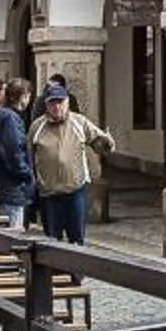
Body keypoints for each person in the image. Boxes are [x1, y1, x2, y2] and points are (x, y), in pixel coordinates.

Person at [29, 83, 113, 245]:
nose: (57, 107)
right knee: (52, 239)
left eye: (60, 102)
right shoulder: (37, 127)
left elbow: (98, 143)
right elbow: (29, 155)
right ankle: (54, 269)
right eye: (52, 103)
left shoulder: (79, 122)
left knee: (77, 238)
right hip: (49, 193)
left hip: (75, 190)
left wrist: (107, 143)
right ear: (46, 105)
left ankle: (77, 271)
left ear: (67, 103)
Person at [0, 77, 37, 230]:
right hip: (10, 190)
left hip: (0, 187)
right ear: (24, 96)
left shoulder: (1, 115)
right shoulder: (9, 118)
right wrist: (27, 175)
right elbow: (13, 153)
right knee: (12, 238)